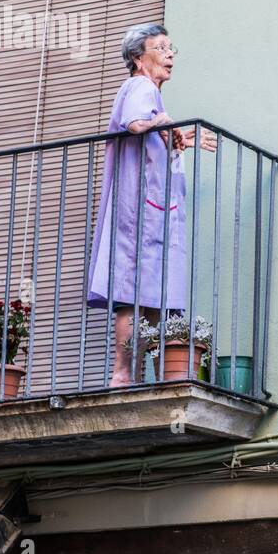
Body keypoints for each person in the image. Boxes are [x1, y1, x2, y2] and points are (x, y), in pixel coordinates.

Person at [86, 23, 216, 386]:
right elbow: (135, 124)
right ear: (138, 59)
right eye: (160, 48)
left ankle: (146, 374)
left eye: (171, 48)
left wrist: (180, 138)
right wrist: (163, 122)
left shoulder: (151, 93)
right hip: (138, 212)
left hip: (154, 211)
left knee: (153, 294)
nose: (170, 54)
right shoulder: (139, 86)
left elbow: (150, 133)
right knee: (134, 293)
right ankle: (123, 375)